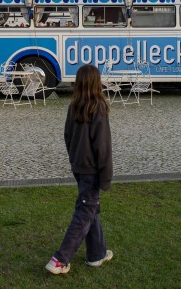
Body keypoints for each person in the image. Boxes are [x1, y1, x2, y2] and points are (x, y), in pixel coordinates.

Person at [46, 64, 114, 275]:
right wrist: (106, 177)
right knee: (85, 212)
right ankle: (60, 259)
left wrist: (74, 158)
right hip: (92, 170)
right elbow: (103, 147)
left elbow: (67, 136)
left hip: (79, 167)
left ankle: (97, 254)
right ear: (97, 82)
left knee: (90, 208)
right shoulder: (99, 107)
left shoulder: (74, 105)